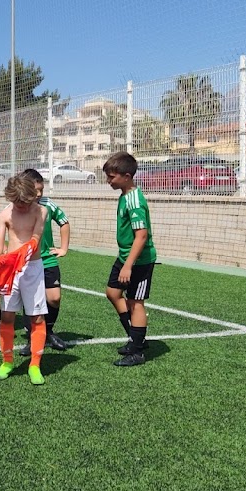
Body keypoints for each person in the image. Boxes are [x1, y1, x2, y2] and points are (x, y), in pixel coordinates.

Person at [0, 174, 48, 385]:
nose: (21, 205)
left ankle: (34, 365)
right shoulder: (5, 213)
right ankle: (7, 361)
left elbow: (36, 237)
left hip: (32, 268)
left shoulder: (41, 211)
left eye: (25, 201)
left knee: (37, 318)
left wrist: (28, 248)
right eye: (17, 202)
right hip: (11, 270)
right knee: (7, 316)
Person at [103, 152, 157, 367]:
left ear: (127, 176)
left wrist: (128, 265)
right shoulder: (125, 195)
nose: (108, 181)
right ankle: (136, 339)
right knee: (113, 292)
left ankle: (137, 351)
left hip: (139, 261)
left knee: (135, 303)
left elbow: (141, 236)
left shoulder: (134, 200)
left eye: (112, 177)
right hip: (125, 255)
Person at [17, 169, 72, 355]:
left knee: (54, 298)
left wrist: (63, 248)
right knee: (30, 300)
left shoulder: (48, 204)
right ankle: (33, 337)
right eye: (35, 190)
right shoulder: (17, 207)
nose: (39, 194)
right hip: (26, 263)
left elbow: (64, 222)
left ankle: (48, 331)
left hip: (47, 260)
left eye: (41, 189)